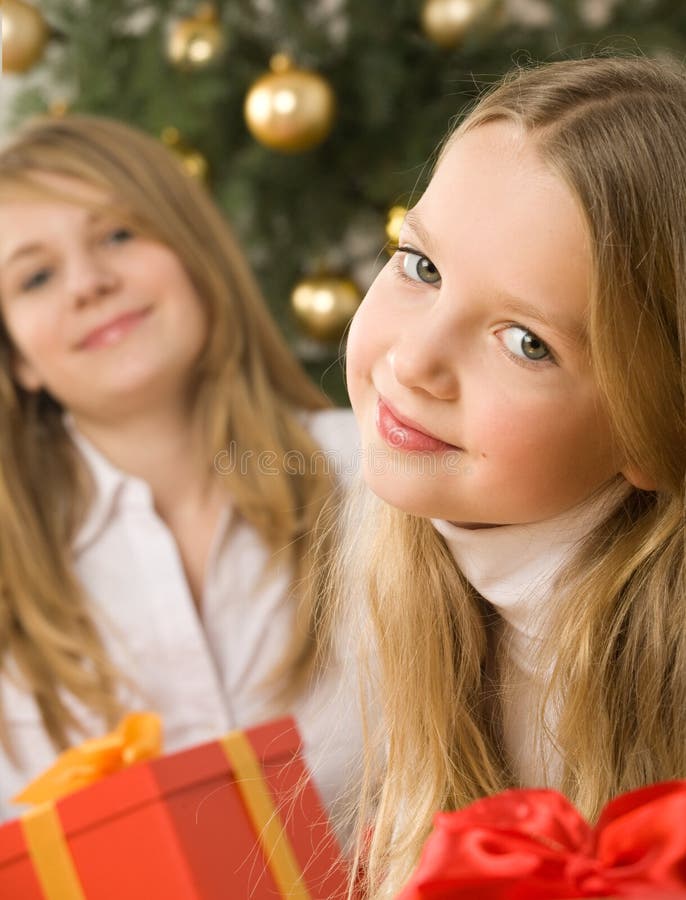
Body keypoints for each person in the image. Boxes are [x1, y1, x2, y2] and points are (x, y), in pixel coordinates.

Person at [331, 55, 686, 897]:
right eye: (420, 266)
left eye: (526, 341)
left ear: (654, 425)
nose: (414, 360)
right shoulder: (426, 578)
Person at [0, 114, 363, 830]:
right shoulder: (13, 590)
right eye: (36, 277)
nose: (89, 283)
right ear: (18, 362)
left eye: (119, 235)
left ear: (194, 255)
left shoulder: (374, 477)